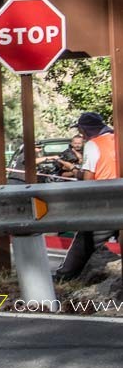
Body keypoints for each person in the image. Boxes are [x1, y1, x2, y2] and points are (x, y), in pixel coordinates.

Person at [55, 112, 120, 281]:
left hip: (105, 201)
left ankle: (65, 277)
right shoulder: (117, 138)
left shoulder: (93, 144)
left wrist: (76, 172)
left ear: (85, 129)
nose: (81, 136)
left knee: (86, 240)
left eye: (81, 131)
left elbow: (88, 179)